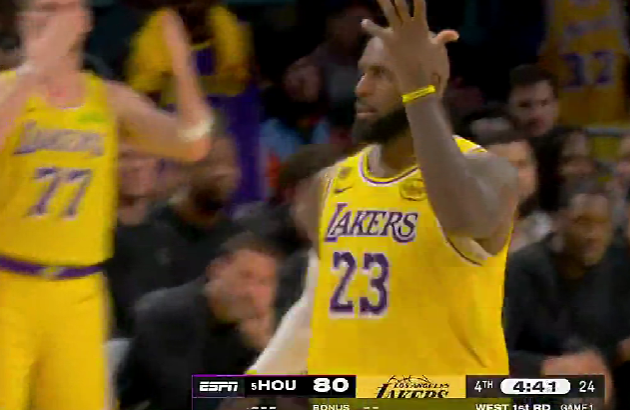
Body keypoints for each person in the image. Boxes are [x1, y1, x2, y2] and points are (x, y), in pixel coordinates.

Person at [246, 0, 518, 377]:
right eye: (363, 72)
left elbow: (462, 218)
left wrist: (417, 92)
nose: (362, 88)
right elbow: (314, 308)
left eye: (383, 75)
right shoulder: (331, 183)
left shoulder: (487, 172)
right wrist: (255, 383)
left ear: (432, 85)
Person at [0, 0, 213, 408]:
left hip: (78, 292)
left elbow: (193, 143)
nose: (41, 19)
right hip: (8, 283)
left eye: (53, 8)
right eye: (34, 10)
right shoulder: (7, 89)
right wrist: (34, 71)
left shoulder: (109, 99)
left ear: (82, 20)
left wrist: (182, 65)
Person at [117, 233, 279, 410]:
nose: (251, 293)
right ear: (216, 271)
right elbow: (185, 397)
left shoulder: (254, 327)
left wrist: (264, 348)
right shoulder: (167, 314)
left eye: (264, 282)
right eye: (245, 276)